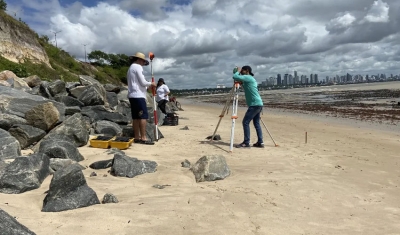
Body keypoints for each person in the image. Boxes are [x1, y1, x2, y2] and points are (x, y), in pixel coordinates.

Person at [127, 52, 156, 145]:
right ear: (139, 60)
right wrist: (151, 84)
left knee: (135, 117)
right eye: (143, 61)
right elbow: (143, 82)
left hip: (132, 95)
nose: (143, 64)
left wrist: (148, 87)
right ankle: (143, 137)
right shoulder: (137, 67)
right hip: (138, 96)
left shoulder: (131, 68)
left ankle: (136, 137)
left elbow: (138, 84)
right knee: (143, 116)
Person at [232, 65, 264, 148]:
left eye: (242, 71)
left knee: (245, 122)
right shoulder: (249, 79)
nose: (241, 72)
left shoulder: (248, 77)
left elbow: (235, 76)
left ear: (246, 70)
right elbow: (237, 78)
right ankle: (260, 142)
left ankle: (246, 142)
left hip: (254, 104)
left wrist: (237, 71)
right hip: (258, 103)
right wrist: (236, 72)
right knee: (256, 123)